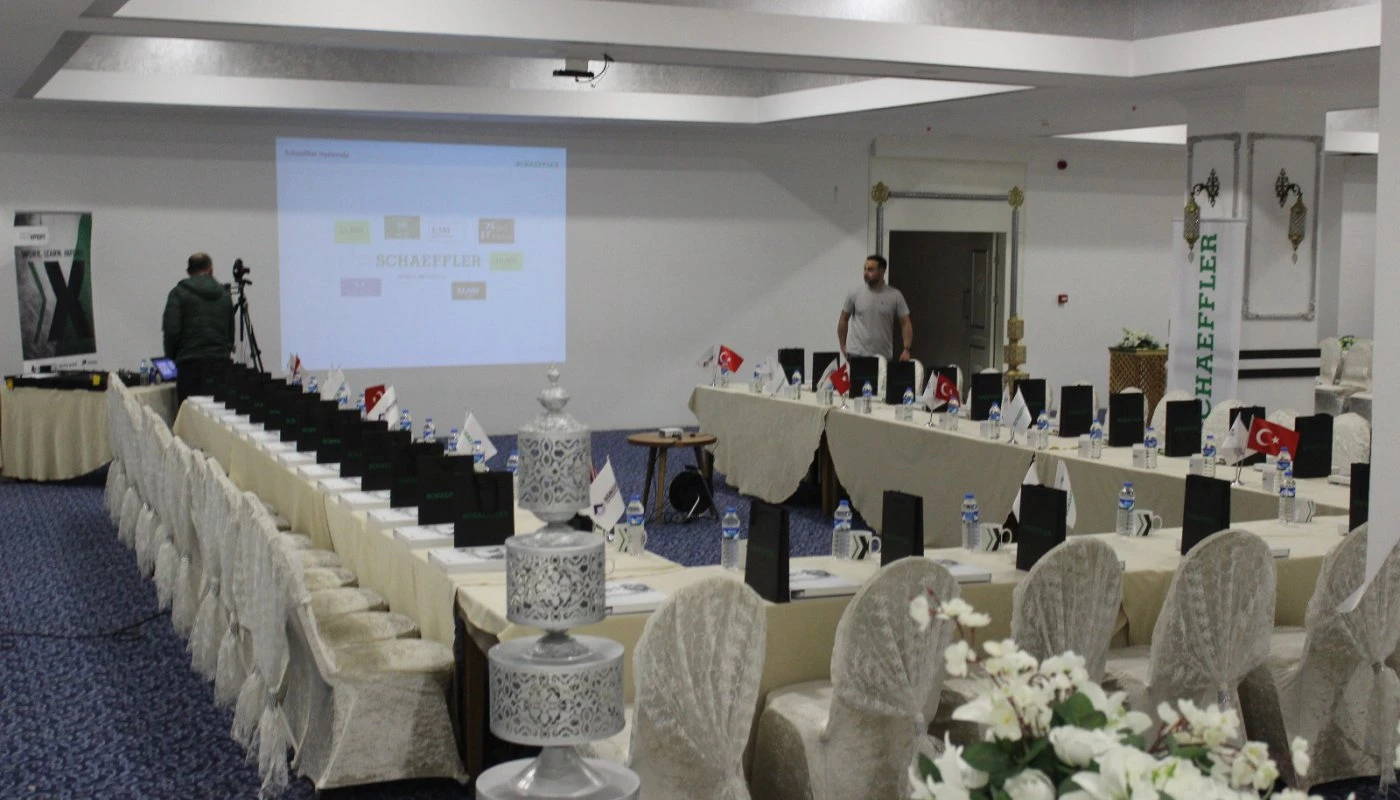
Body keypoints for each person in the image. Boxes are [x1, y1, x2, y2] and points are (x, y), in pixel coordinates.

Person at [162, 252, 234, 402]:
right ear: (211, 270)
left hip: (189, 367)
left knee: (191, 415)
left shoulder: (177, 294)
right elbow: (230, 333)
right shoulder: (225, 295)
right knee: (218, 414)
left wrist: (173, 359)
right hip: (220, 366)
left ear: (189, 272)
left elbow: (171, 331)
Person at [838, 254, 912, 362]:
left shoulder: (895, 295)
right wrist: (843, 345)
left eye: (870, 269)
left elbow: (905, 323)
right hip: (856, 354)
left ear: (882, 271)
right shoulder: (854, 293)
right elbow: (843, 319)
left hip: (883, 356)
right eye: (865, 269)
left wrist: (906, 349)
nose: (866, 273)